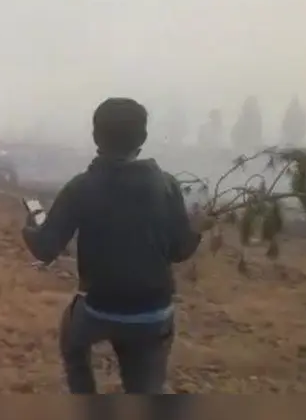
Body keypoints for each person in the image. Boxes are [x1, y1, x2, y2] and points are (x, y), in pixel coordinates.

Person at [20, 97, 203, 394]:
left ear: (95, 137)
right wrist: (198, 227)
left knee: (73, 342)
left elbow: (45, 249)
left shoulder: (81, 186)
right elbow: (181, 251)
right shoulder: (167, 184)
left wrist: (30, 225)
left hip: (98, 309)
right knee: (146, 387)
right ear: (143, 138)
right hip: (154, 313)